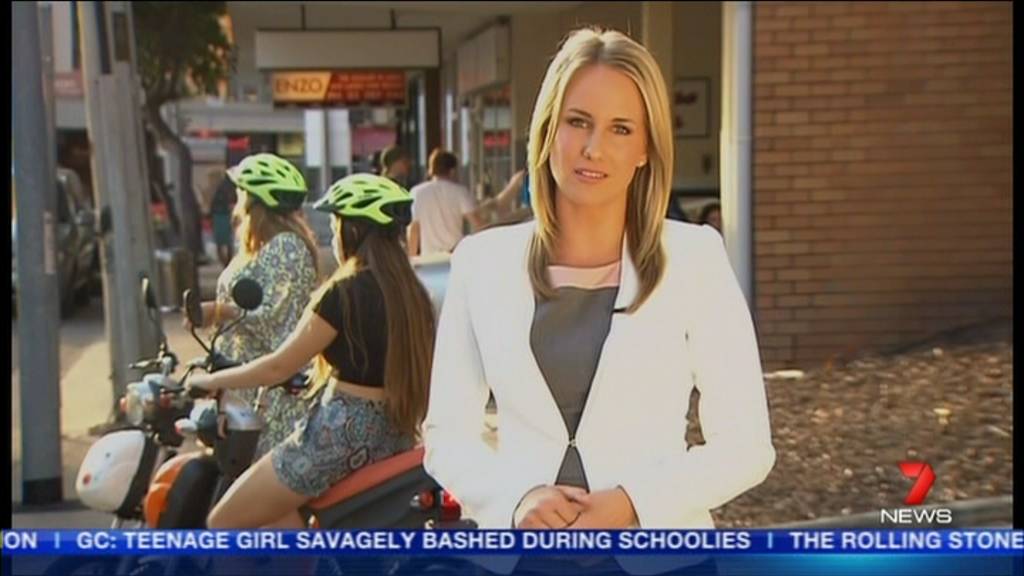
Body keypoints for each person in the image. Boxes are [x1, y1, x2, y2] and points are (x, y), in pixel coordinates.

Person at [421, 27, 775, 575]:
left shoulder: (695, 258)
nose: (593, 148)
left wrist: (634, 501)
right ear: (548, 131)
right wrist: (516, 498)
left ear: (645, 148)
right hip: (523, 560)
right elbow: (446, 435)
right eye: (578, 122)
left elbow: (747, 446)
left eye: (620, 128)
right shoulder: (481, 263)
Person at [191, 173, 437, 530]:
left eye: (336, 225)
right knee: (284, 516)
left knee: (223, 520)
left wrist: (211, 380)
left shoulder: (344, 293)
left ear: (353, 231)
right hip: (393, 433)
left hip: (336, 437)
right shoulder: (414, 294)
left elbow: (278, 367)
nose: (334, 237)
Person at [183, 153, 321, 460]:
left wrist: (220, 311)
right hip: (242, 391)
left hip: (271, 399)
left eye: (241, 192)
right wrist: (213, 313)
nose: (236, 201)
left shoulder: (287, 247)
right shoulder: (256, 248)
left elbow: (273, 319)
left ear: (254, 201)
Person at [408, 149, 483, 256]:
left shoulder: (417, 192)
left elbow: (414, 228)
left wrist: (412, 257)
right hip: (455, 253)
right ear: (452, 170)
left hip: (428, 256)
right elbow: (477, 223)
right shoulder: (460, 192)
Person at [210, 172, 237, 267]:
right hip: (225, 215)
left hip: (219, 215)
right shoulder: (230, 188)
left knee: (221, 242)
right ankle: (227, 262)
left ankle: (226, 262)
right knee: (228, 241)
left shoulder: (219, 189)